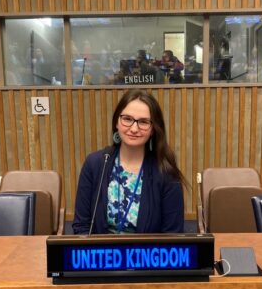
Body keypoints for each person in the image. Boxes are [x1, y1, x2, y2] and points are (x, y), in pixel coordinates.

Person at [72, 89, 185, 234]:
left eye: (143, 122)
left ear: (153, 129)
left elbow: (173, 234)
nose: (134, 128)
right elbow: (81, 226)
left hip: (147, 255)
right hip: (100, 254)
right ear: (116, 123)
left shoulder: (166, 172)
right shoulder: (95, 164)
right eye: (127, 119)